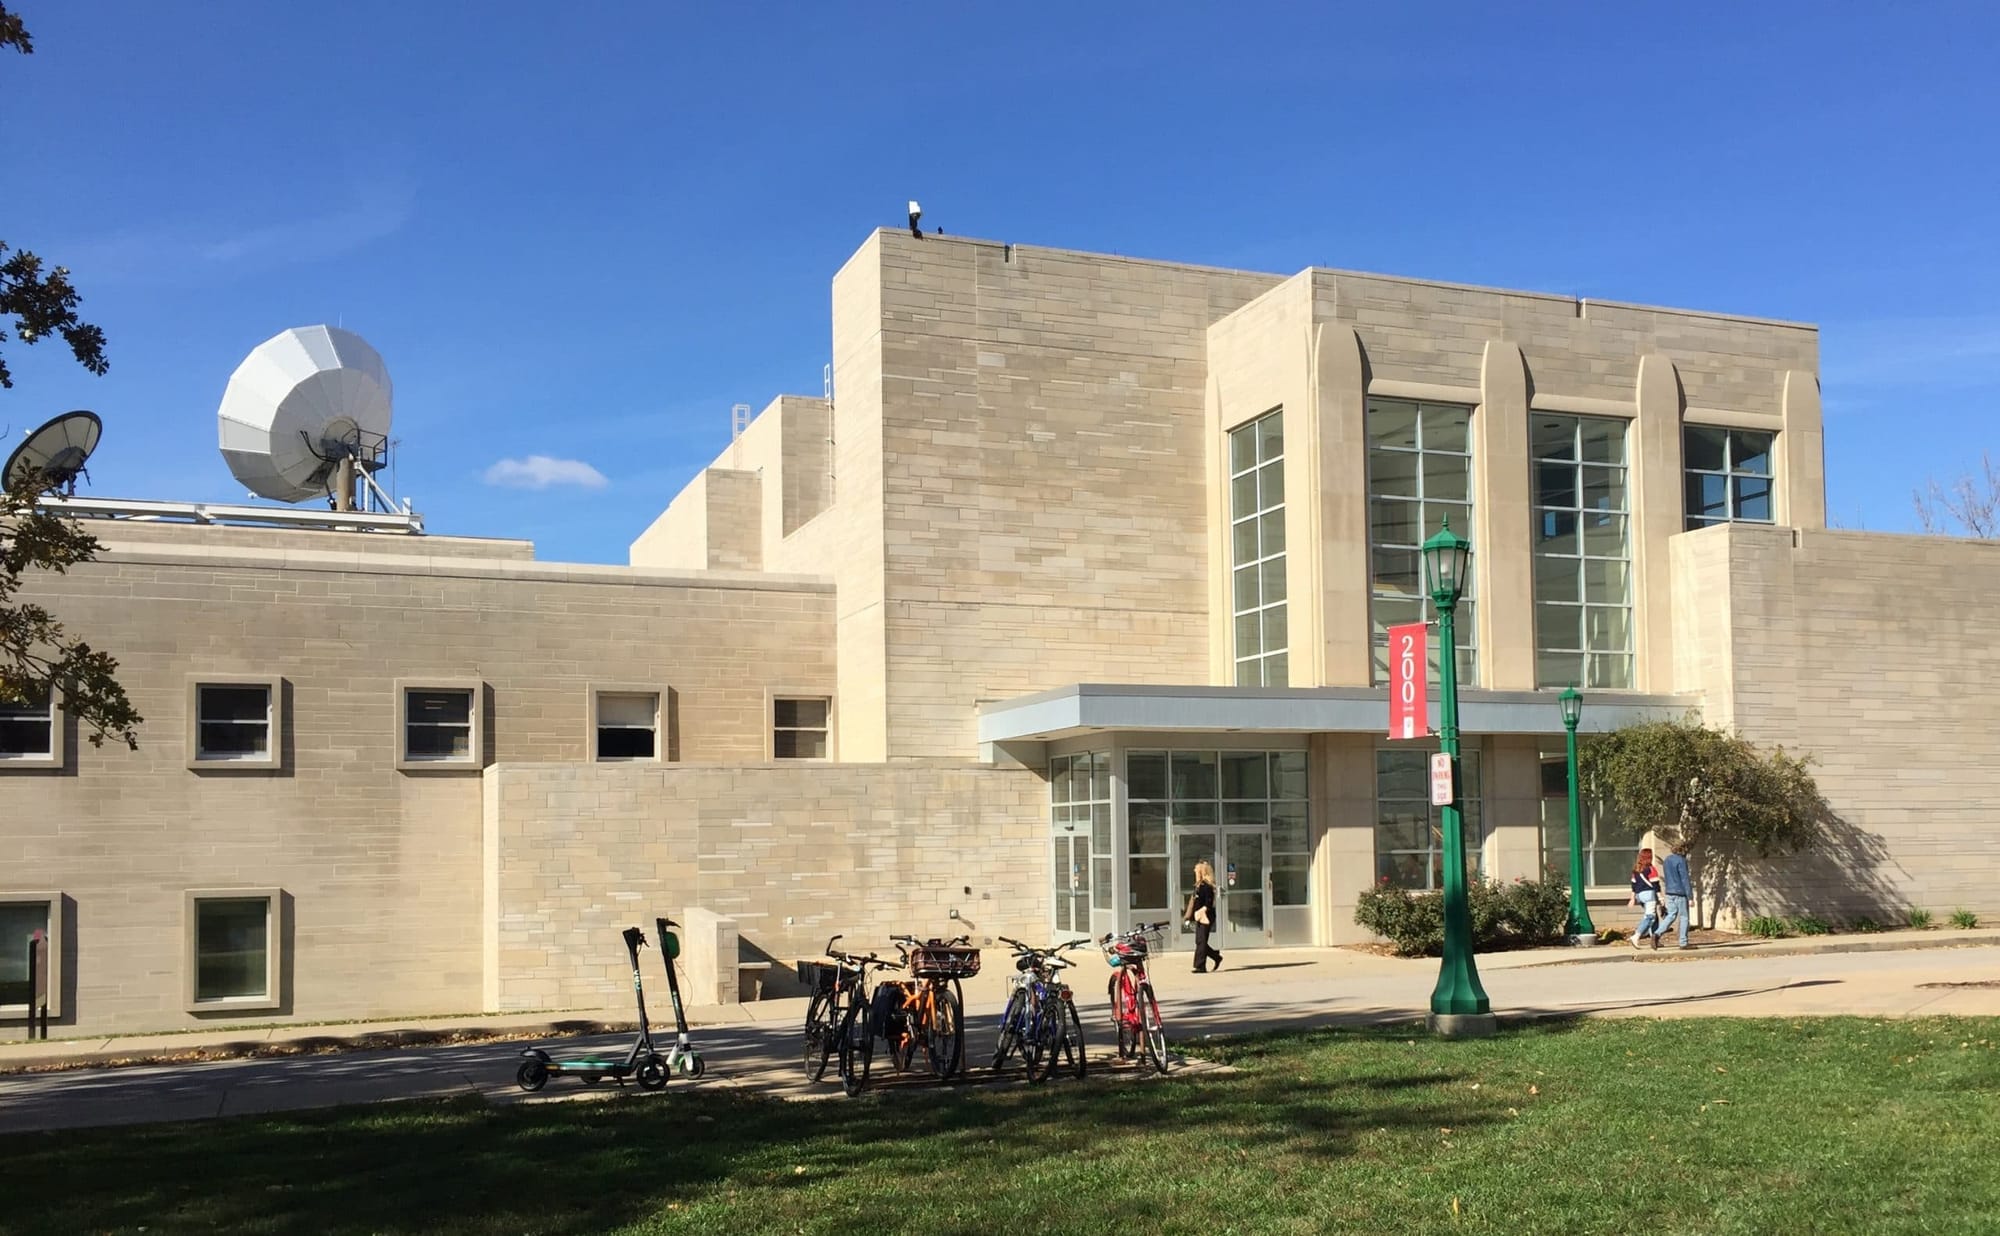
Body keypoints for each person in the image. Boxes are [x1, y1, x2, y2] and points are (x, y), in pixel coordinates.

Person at [1185, 860, 1224, 973]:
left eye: (1197, 870)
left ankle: (1200, 966)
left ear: (1202, 872)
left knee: (1201, 941)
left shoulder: (1207, 886)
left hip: (1206, 916)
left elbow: (1208, 902)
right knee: (1199, 941)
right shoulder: (1198, 886)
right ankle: (1216, 956)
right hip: (1199, 916)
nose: (1195, 872)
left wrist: (1202, 911)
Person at [1627, 849, 1663, 949]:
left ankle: (1655, 938)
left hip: (1640, 896)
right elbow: (1656, 885)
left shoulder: (1636, 870)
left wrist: (1632, 898)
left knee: (1653, 917)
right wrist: (1660, 897)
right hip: (1650, 895)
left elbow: (1633, 885)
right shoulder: (1651, 869)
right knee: (1650, 916)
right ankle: (1637, 935)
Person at [1659, 848, 1693, 950]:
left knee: (1670, 915)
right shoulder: (1681, 861)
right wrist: (1690, 896)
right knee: (1684, 917)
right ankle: (1683, 942)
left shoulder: (1667, 860)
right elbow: (1685, 878)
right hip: (1680, 892)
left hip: (1669, 891)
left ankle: (1656, 934)